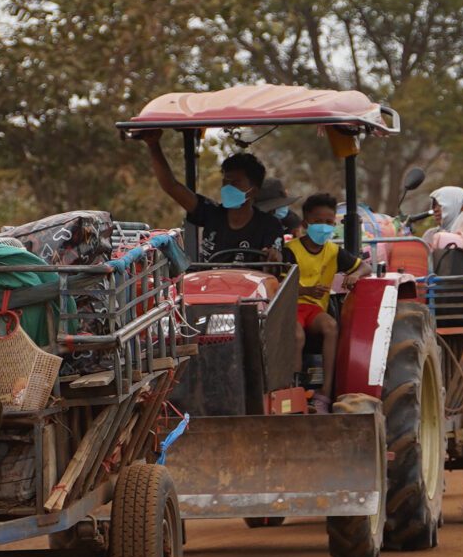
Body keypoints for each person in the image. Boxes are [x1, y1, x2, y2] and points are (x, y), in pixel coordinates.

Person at [141, 132, 286, 263]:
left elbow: (274, 258)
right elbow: (171, 186)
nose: (228, 187)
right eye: (225, 181)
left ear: (253, 191)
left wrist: (273, 256)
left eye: (235, 182)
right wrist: (153, 146)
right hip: (208, 283)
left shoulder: (269, 225)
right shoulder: (212, 213)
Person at [284, 193, 362, 409]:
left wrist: (355, 274)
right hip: (291, 306)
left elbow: (364, 266)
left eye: (329, 222)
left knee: (331, 326)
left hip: (314, 309)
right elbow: (282, 286)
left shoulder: (334, 252)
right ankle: (293, 391)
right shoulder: (291, 250)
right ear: (305, 223)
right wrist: (307, 289)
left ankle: (325, 393)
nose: (324, 227)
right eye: (318, 221)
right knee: (296, 335)